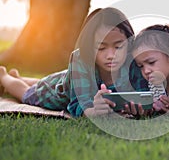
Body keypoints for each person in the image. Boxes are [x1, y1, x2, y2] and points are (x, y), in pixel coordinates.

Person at [0, 7, 148, 118]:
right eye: (101, 48)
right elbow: (79, 105)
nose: (111, 55)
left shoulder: (132, 62)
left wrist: (142, 107)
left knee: (43, 81)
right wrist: (94, 111)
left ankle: (18, 76)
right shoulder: (81, 60)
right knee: (28, 94)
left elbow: (145, 95)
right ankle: (5, 76)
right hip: (59, 89)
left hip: (68, 77)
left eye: (118, 46)